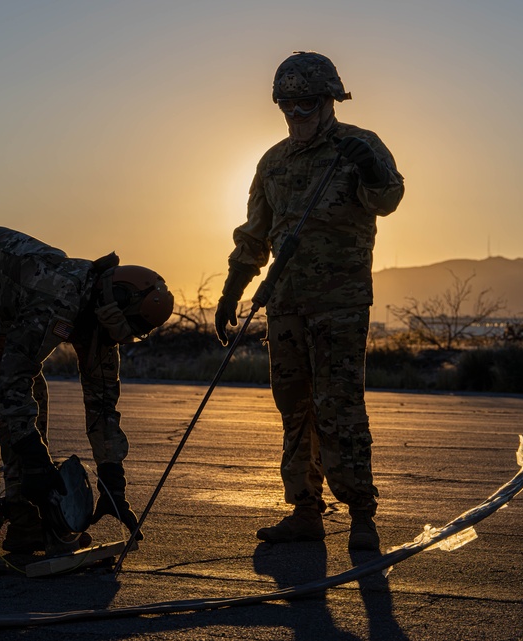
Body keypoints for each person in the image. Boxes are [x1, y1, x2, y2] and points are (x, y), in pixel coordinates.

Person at [0, 226, 174, 574]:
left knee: (33, 393)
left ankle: (28, 523)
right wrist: (33, 455)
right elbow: (11, 382)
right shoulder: (58, 294)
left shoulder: (102, 318)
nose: (116, 340)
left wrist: (113, 479)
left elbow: (103, 406)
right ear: (113, 304)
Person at [214, 52, 404, 551]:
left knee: (339, 405)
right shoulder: (272, 161)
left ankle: (361, 512)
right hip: (285, 302)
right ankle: (304, 509)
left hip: (340, 302)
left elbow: (387, 199)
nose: (296, 115)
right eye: (288, 106)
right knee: (293, 406)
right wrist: (233, 287)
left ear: (329, 102)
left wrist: (370, 170)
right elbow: (255, 233)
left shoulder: (359, 146)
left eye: (306, 105)